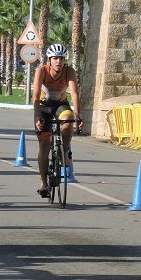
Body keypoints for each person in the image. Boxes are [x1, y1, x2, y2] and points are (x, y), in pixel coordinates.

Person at [32, 44, 83, 198]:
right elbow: (35, 96)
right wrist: (36, 116)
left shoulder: (69, 71)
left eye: (61, 58)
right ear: (50, 60)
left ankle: (65, 149)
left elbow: (74, 92)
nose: (58, 62)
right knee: (44, 144)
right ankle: (44, 183)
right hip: (44, 107)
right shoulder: (42, 70)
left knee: (68, 120)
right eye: (55, 58)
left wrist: (78, 113)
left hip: (61, 105)